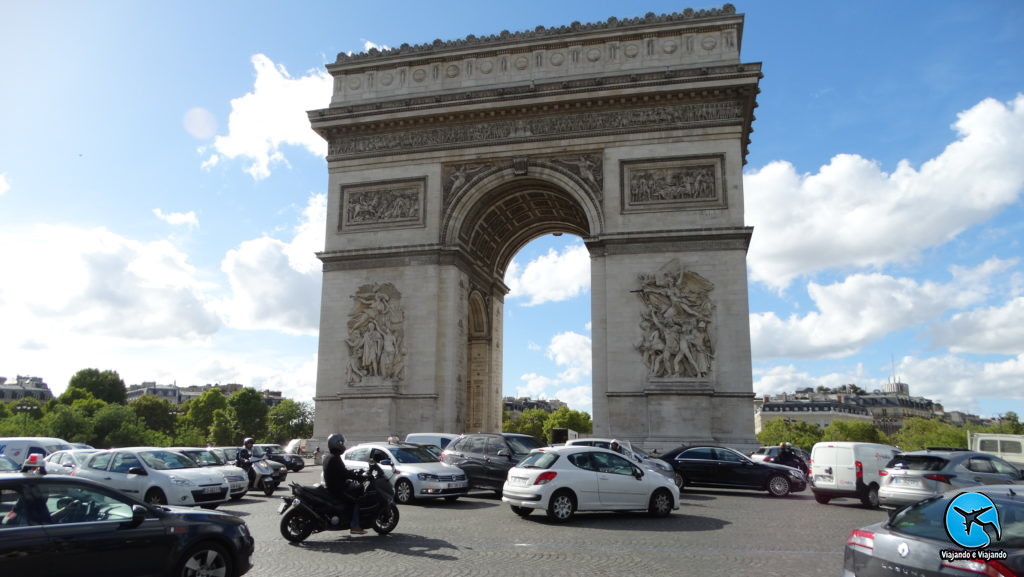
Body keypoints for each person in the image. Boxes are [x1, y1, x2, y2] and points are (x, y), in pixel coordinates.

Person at [321, 433, 364, 534]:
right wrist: (360, 477)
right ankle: (354, 526)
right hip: (337, 489)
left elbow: (341, 471)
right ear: (338, 444)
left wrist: (352, 472)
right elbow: (345, 473)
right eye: (342, 443)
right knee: (356, 501)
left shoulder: (329, 457)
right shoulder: (335, 458)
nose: (344, 445)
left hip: (331, 487)